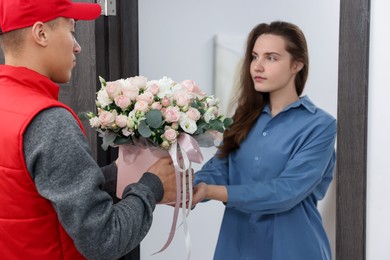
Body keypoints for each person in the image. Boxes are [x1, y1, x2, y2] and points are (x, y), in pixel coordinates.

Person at [0, 0, 177, 259]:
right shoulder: (49, 121)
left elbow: (34, 192)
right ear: (41, 33)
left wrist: (116, 174)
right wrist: (152, 186)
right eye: (72, 30)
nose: (78, 46)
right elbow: (104, 239)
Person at [192, 21, 337, 260]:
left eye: (271, 58)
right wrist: (190, 188)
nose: (257, 66)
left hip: (293, 249)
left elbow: (286, 191)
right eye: (254, 56)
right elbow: (219, 169)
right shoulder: (243, 117)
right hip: (236, 246)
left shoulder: (320, 126)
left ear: (297, 64)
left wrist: (212, 191)